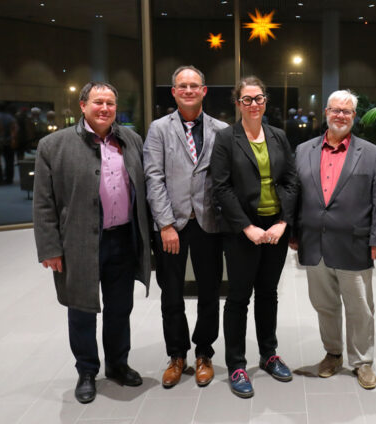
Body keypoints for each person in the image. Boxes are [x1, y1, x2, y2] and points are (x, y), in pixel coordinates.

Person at [33, 82, 151, 404]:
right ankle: (86, 371)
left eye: (110, 103)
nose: (105, 108)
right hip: (78, 243)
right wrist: (50, 248)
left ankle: (117, 364)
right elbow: (43, 202)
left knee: (120, 308)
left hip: (122, 238)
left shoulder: (131, 140)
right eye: (98, 102)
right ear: (82, 105)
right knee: (82, 309)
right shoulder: (52, 145)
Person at [293, 89, 376, 390]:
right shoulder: (303, 150)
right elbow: (295, 196)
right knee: (324, 305)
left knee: (360, 307)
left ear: (354, 116)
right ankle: (333, 354)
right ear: (326, 112)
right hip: (314, 243)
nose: (340, 115)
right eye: (335, 110)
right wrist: (294, 234)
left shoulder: (372, 154)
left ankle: (362, 362)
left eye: (346, 111)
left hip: (354, 245)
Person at [210, 76, 298, 398]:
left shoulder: (278, 136)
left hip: (275, 229)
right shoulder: (226, 138)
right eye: (246, 99)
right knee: (238, 298)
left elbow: (291, 180)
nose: (253, 104)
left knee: (268, 294)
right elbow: (221, 187)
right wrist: (247, 227)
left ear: (265, 101)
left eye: (258, 98)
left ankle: (269, 354)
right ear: (238, 103)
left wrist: (283, 222)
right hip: (242, 231)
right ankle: (236, 364)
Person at [144, 65, 228, 388]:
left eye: (195, 85)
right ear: (174, 92)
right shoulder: (158, 129)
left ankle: (204, 352)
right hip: (172, 225)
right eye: (183, 86)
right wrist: (165, 224)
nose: (189, 90)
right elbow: (153, 177)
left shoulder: (222, 129)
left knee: (209, 292)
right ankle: (176, 354)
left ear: (204, 91)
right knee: (171, 293)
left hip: (209, 223)